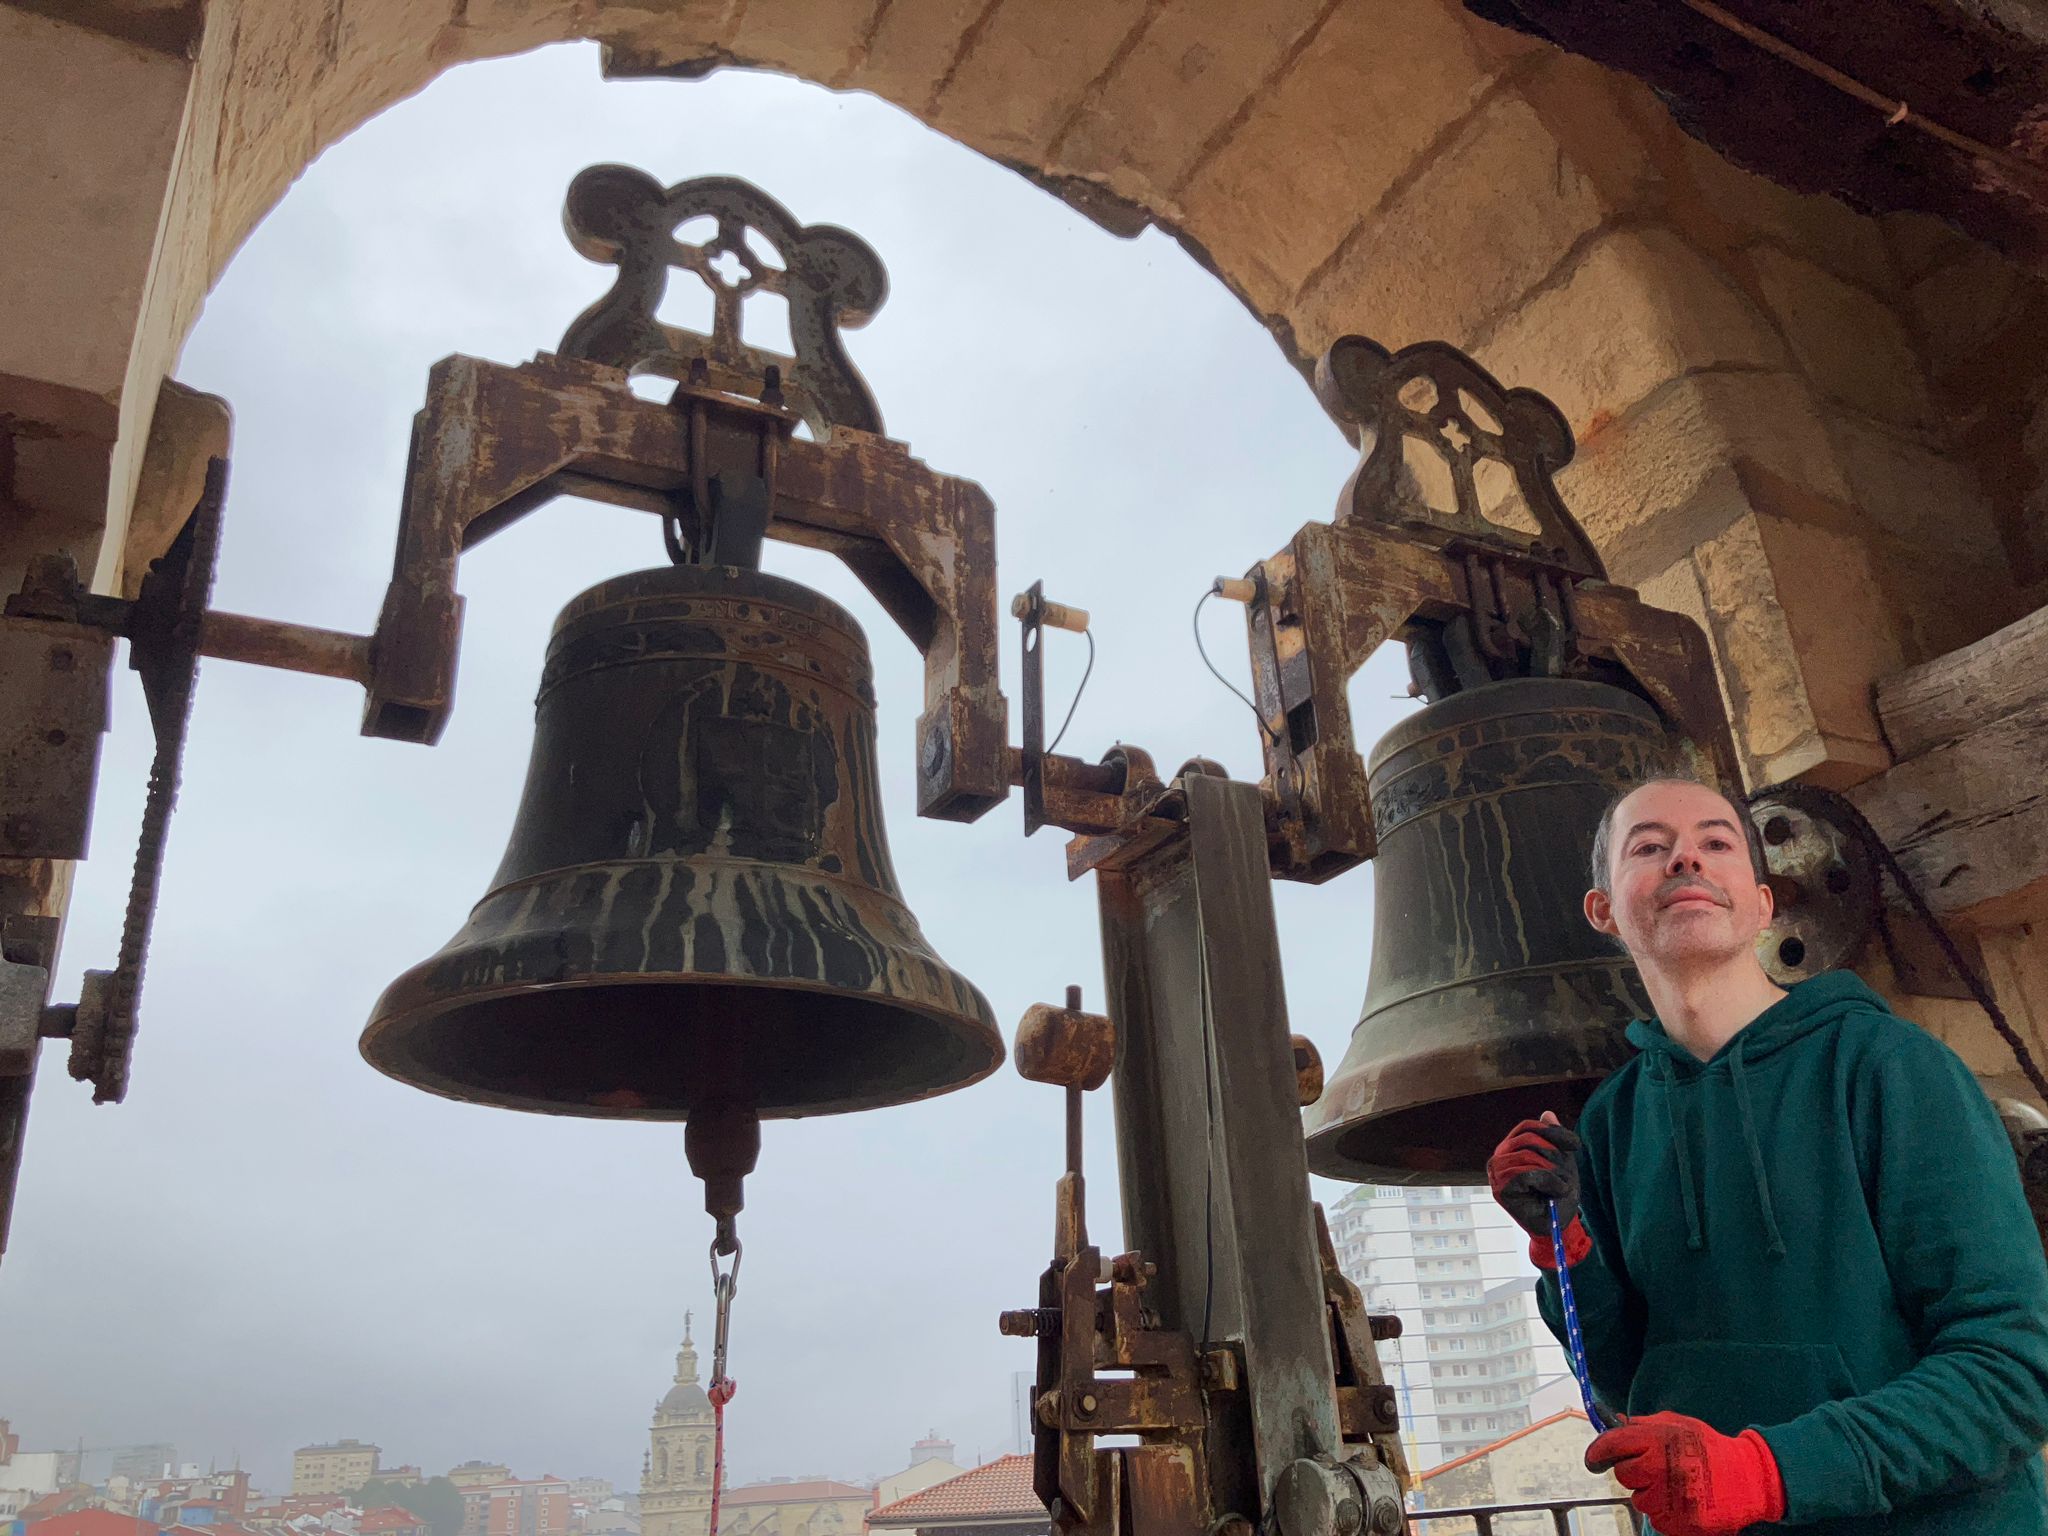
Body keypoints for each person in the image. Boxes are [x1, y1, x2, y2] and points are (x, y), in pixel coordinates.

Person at [1485, 774, 2048, 1535]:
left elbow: (2009, 1370)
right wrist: (1565, 1247)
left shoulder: (1891, 1067)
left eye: (1715, 842)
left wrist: (1768, 1472)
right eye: (1649, 847)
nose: (1685, 859)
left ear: (1761, 902)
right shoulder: (1613, 1120)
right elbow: (1624, 1378)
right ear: (1604, 910)